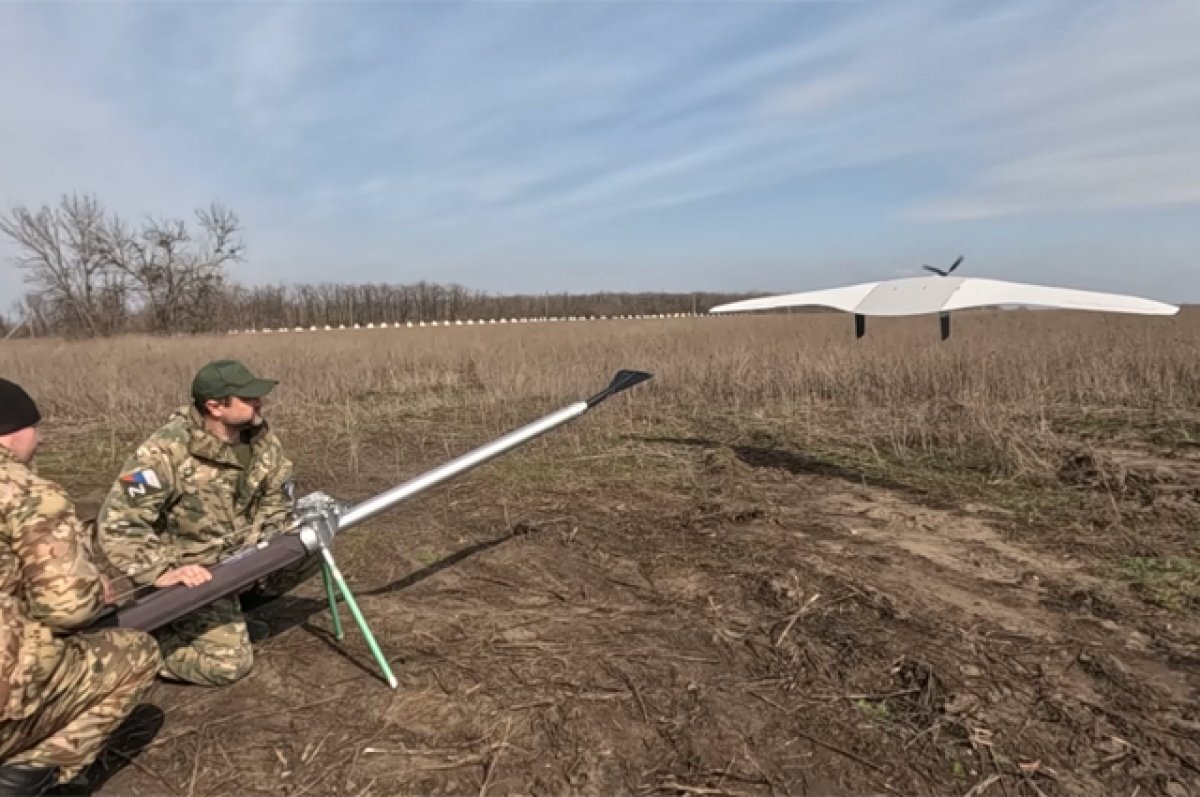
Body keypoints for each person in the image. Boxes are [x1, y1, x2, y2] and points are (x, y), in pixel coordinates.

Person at [96, 360, 302, 688]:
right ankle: (147, 647)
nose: (260, 403)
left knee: (306, 550)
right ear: (215, 407)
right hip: (195, 575)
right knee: (227, 665)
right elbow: (118, 525)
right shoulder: (162, 453)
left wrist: (269, 544)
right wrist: (161, 572)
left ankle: (234, 612)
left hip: (243, 558)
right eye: (248, 399)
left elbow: (276, 492)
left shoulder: (260, 438)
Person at [0, 377, 160, 796]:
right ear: (11, 431)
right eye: (35, 428)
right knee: (139, 653)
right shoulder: (24, 492)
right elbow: (69, 608)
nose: (41, 439)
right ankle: (24, 777)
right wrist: (92, 591)